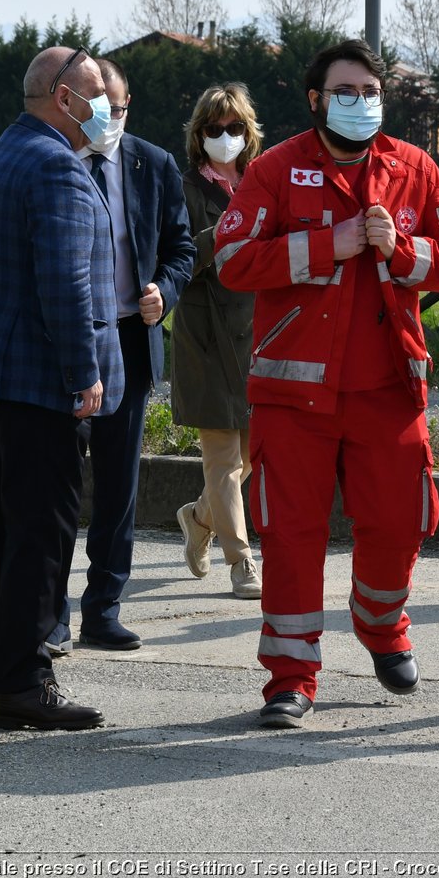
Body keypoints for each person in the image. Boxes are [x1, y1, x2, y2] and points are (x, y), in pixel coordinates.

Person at [215, 39, 439, 728]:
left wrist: (399, 248)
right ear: (315, 100)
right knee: (291, 532)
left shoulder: (415, 169)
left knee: (400, 520)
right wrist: (333, 242)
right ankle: (290, 677)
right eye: (345, 91)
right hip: (292, 396)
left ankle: (381, 623)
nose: (360, 103)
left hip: (389, 388)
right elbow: (233, 259)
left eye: (370, 91)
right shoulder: (275, 168)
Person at [0, 45, 124, 731]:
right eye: (97, 89)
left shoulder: (1, 153)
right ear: (63, 98)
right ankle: (24, 680)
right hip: (37, 381)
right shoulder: (59, 170)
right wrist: (85, 373)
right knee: (41, 534)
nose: (106, 102)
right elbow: (65, 287)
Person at [47, 57, 195, 653]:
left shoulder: (152, 164)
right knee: (57, 485)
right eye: (97, 104)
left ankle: (103, 607)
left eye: (119, 105)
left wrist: (167, 287)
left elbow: (182, 245)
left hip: (131, 339)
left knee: (118, 485)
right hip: (64, 344)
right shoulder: (54, 161)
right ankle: (50, 613)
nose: (109, 116)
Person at [171, 83, 265, 600]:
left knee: (250, 454)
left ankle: (198, 516)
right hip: (205, 336)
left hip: (257, 331)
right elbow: (181, 260)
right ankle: (242, 561)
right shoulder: (182, 186)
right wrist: (225, 229)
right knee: (224, 458)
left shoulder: (263, 181)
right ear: (199, 134)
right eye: (214, 129)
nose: (225, 137)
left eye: (234, 128)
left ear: (248, 133)